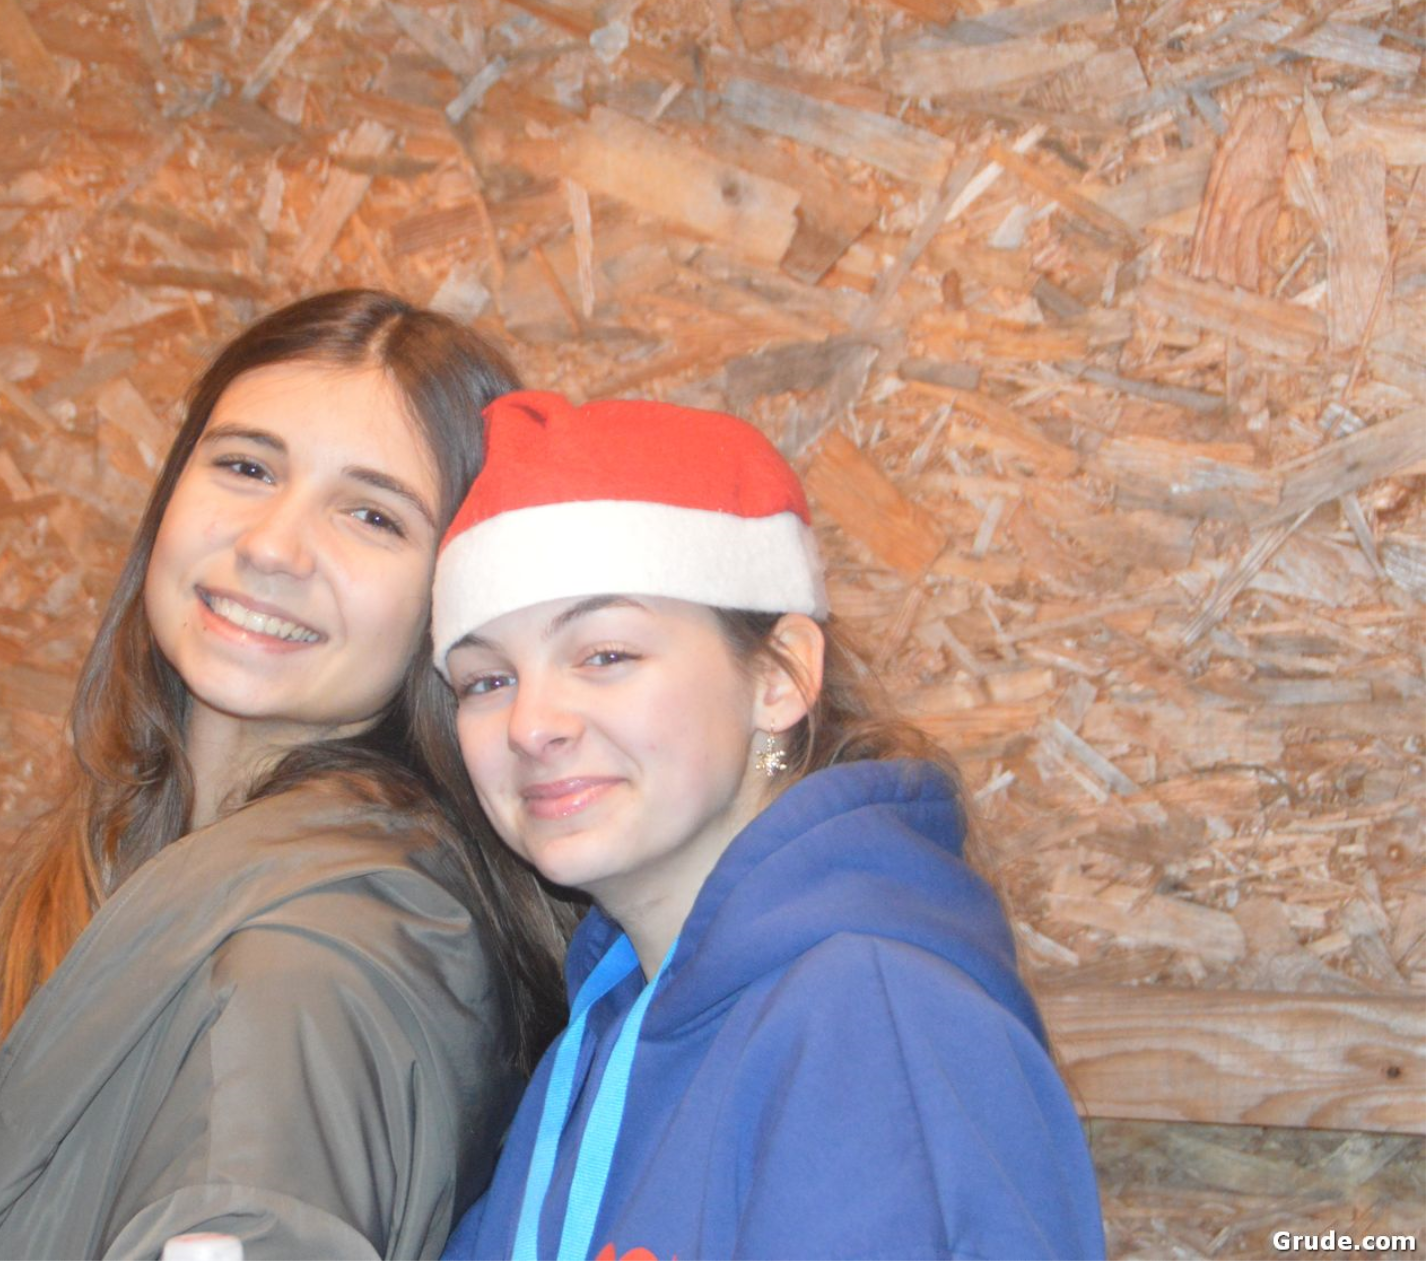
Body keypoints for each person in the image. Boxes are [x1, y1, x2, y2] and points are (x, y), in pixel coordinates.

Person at [0, 292, 571, 1261]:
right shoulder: (150, 854)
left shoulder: (307, 958)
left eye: (372, 515)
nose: (272, 545)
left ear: (453, 598)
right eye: (246, 466)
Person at [431, 391, 1107, 1261]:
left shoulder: (869, 1018)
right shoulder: (601, 1037)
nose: (531, 726)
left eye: (605, 655)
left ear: (780, 678)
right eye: (486, 681)